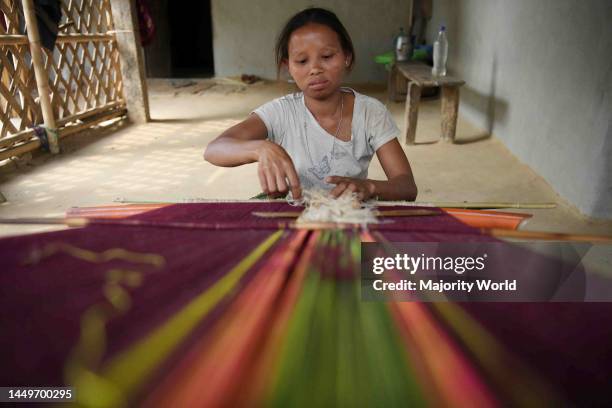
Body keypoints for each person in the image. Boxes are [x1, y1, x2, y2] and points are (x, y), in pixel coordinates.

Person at [204, 7, 417, 201]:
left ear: (347, 57)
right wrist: (260, 148)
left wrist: (369, 187)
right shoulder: (281, 112)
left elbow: (406, 186)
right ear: (288, 67)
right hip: (290, 214)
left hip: (347, 214)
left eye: (326, 56)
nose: (315, 69)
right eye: (302, 61)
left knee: (402, 246)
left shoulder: (370, 112)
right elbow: (214, 149)